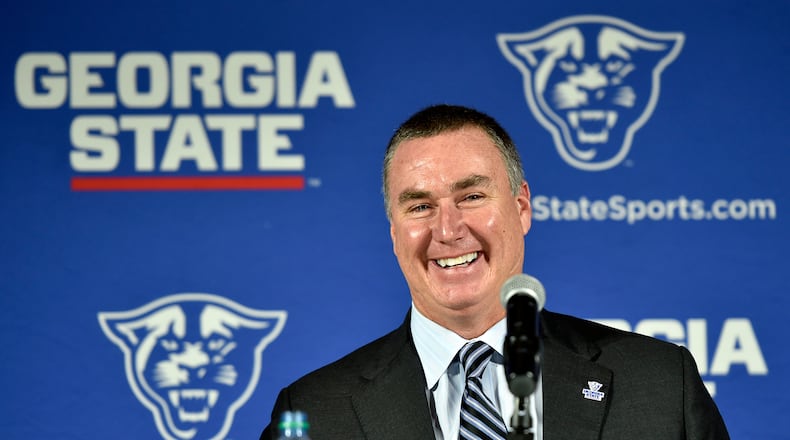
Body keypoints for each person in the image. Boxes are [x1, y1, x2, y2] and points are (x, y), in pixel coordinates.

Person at [259, 104, 730, 439]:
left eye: (471, 197)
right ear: (394, 232)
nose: (447, 229)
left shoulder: (661, 385)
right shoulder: (314, 414)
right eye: (420, 206)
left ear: (521, 207)